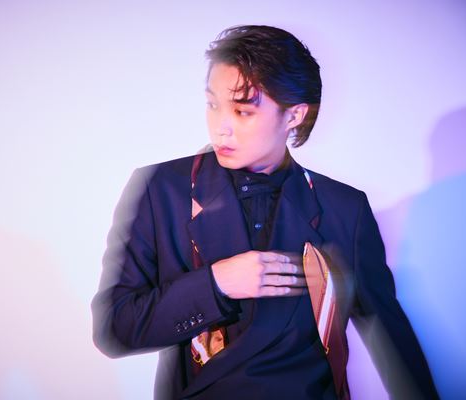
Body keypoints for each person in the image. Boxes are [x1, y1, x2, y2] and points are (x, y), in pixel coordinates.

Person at [91, 25, 439, 400]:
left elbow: (391, 341)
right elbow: (114, 330)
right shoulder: (162, 188)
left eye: (242, 111)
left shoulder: (343, 208)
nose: (221, 128)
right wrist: (216, 285)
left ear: (294, 115)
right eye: (212, 104)